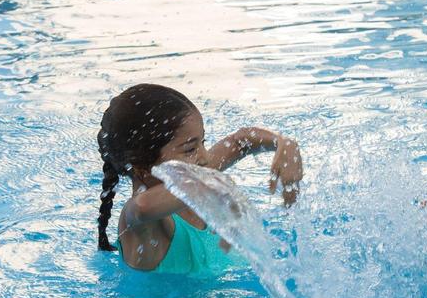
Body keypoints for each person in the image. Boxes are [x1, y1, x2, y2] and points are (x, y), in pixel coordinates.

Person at [96, 83, 303, 274]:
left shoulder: (195, 175)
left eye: (203, 142)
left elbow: (240, 141)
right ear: (143, 168)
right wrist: (214, 185)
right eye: (190, 149)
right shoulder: (143, 226)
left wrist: (283, 144)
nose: (205, 158)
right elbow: (141, 207)